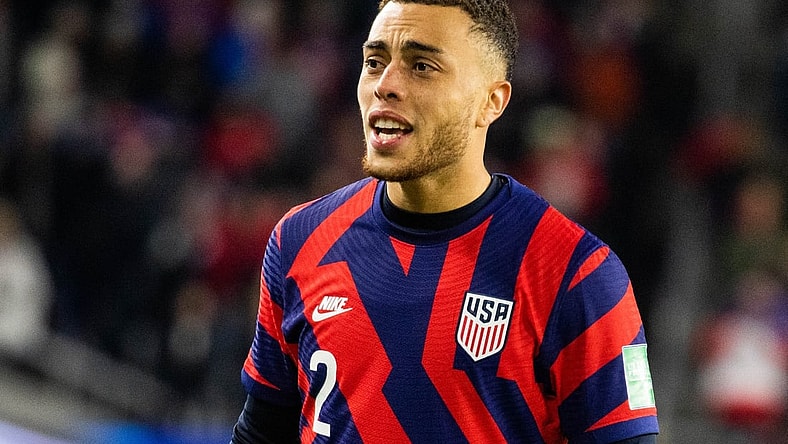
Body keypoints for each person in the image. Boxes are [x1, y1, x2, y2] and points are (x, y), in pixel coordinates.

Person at [232, 0, 659, 442]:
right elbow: (261, 432)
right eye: (374, 62)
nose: (385, 85)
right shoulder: (298, 239)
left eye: (421, 67)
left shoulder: (577, 273)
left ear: (491, 102)